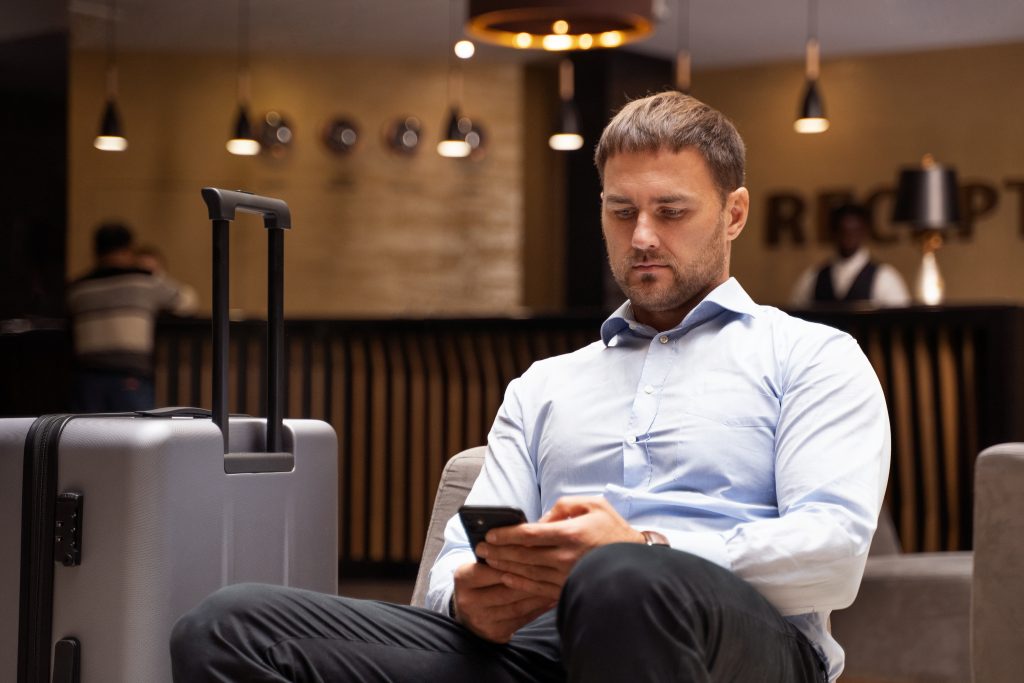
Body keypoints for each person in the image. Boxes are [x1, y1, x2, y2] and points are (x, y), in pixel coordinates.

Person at [170, 91, 890, 682]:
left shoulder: (813, 357)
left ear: (733, 213)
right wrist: (470, 599)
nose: (641, 236)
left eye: (670, 212)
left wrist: (644, 545)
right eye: (620, 211)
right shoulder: (546, 384)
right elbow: (457, 556)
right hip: (540, 648)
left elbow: (832, 553)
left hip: (739, 648)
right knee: (229, 626)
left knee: (622, 579)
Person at [67, 222, 196, 412]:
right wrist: (156, 273)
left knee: (87, 438)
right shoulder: (143, 281)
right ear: (128, 250)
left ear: (95, 252)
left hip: (87, 379)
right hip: (129, 376)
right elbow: (187, 302)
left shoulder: (78, 289)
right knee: (134, 437)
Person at [789, 203, 910, 307]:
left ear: (864, 232)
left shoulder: (885, 277)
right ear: (833, 232)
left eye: (854, 231)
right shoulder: (813, 277)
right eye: (843, 231)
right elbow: (795, 318)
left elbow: (900, 321)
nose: (848, 237)